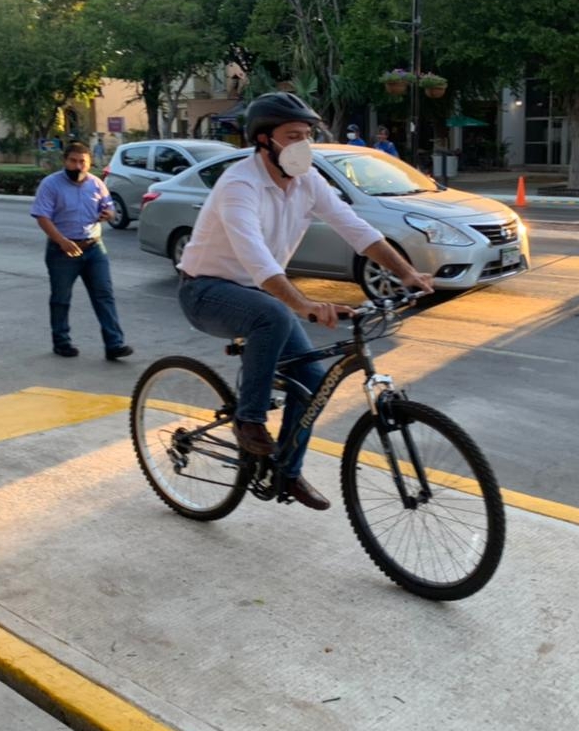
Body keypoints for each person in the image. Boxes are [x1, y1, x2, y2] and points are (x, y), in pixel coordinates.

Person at [177, 92, 434, 511]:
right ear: (263, 140)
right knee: (274, 314)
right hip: (206, 289)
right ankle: (249, 419)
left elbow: (355, 227)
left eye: (307, 136)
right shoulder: (239, 184)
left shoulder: (308, 180)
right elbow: (255, 256)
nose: (303, 145)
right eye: (292, 136)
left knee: (313, 382)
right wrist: (304, 304)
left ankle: (286, 472)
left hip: (259, 295)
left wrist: (405, 272)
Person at [30, 141, 132, 361]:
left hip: (94, 248)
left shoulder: (97, 184)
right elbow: (42, 216)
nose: (77, 166)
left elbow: (110, 209)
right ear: (65, 161)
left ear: (89, 163)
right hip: (62, 251)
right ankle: (61, 342)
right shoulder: (51, 184)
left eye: (82, 162)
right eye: (73, 161)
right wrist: (61, 241)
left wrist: (109, 215)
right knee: (61, 298)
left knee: (104, 295)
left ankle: (114, 344)